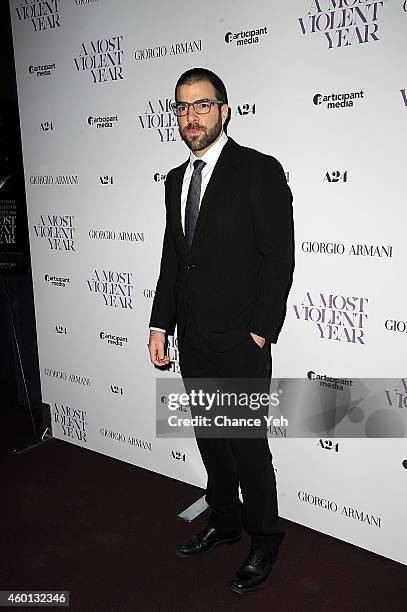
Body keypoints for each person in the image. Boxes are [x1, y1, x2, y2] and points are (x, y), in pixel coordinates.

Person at [148, 67, 294, 594]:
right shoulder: (174, 180)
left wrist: (259, 333)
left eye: (202, 105)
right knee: (211, 439)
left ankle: (265, 538)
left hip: (240, 341)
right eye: (182, 108)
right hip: (193, 338)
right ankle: (226, 522)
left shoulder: (258, 171)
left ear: (224, 110)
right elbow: (173, 260)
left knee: (249, 446)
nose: (191, 117)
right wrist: (160, 322)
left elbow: (279, 259)